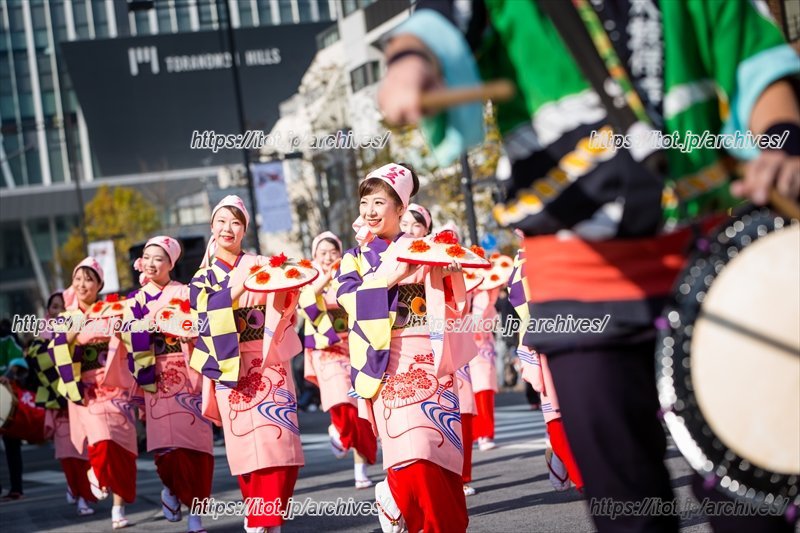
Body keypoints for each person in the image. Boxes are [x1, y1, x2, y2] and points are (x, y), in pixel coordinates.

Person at [377, 2, 800, 531]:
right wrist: (410, 62)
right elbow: (440, 22)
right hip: (579, 283)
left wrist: (782, 143)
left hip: (706, 269)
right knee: (628, 506)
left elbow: (757, 64)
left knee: (749, 497)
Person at [335, 163, 470, 533]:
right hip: (385, 359)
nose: (371, 211)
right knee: (409, 452)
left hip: (429, 354)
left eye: (380, 202)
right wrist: (384, 279)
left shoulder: (422, 249)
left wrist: (451, 267)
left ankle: (429, 517)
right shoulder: (355, 257)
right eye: (366, 202)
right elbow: (346, 299)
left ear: (400, 209)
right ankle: (399, 498)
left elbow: (454, 302)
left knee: (439, 450)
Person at [189, 196, 303, 533]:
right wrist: (241, 286)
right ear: (212, 227)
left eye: (236, 222)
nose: (228, 228)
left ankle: (263, 518)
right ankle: (261, 521)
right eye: (222, 221)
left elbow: (285, 305)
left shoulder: (261, 262)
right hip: (230, 364)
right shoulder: (202, 277)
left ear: (244, 229)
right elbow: (205, 314)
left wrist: (287, 286)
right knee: (246, 448)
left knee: (280, 442)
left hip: (267, 357)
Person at [115, 236, 213, 533]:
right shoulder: (135, 301)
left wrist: (191, 334)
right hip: (155, 377)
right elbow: (125, 337)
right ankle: (171, 489)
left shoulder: (186, 292)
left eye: (159, 258)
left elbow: (204, 325)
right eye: (147, 257)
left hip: (188, 375)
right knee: (167, 450)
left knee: (197, 449)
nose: (152, 262)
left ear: (172, 263)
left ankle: (195, 516)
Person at [50, 257, 138, 529]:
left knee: (123, 447)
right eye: (78, 279)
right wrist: (75, 335)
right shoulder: (67, 317)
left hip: (117, 383)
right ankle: (96, 474)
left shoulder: (112, 308)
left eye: (88, 279)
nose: (82, 284)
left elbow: (131, 334)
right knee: (100, 438)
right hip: (88, 389)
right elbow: (57, 350)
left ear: (100, 284)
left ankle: (118, 508)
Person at [300, 231, 377, 489]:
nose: (328, 257)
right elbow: (305, 302)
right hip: (325, 349)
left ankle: (359, 468)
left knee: (360, 410)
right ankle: (340, 433)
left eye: (333, 252)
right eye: (322, 253)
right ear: (314, 256)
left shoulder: (349, 273)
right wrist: (324, 278)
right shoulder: (308, 277)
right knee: (341, 401)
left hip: (352, 346)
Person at [508, 250, 583, 493]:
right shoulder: (525, 260)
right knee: (556, 412)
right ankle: (584, 480)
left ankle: (564, 459)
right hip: (550, 334)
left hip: (583, 329)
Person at [27, 291, 96, 515]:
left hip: (82, 398)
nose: (59, 311)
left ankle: (82, 492)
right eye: (55, 307)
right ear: (49, 311)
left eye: (64, 307)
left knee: (86, 451)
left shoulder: (81, 331)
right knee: (69, 454)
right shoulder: (41, 339)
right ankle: (80, 495)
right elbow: (39, 364)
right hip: (59, 403)